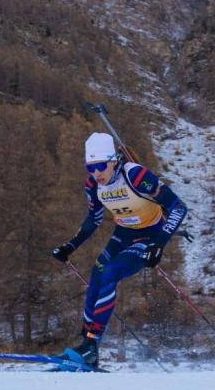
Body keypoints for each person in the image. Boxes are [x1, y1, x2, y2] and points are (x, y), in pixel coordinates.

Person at [52, 132, 190, 368]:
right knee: (97, 277)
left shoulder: (135, 175)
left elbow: (178, 206)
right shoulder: (93, 185)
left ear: (113, 160)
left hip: (150, 236)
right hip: (123, 235)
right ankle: (88, 347)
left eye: (101, 166)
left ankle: (92, 344)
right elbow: (93, 220)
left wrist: (160, 243)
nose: (96, 173)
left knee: (111, 272)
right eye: (90, 167)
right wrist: (70, 246)